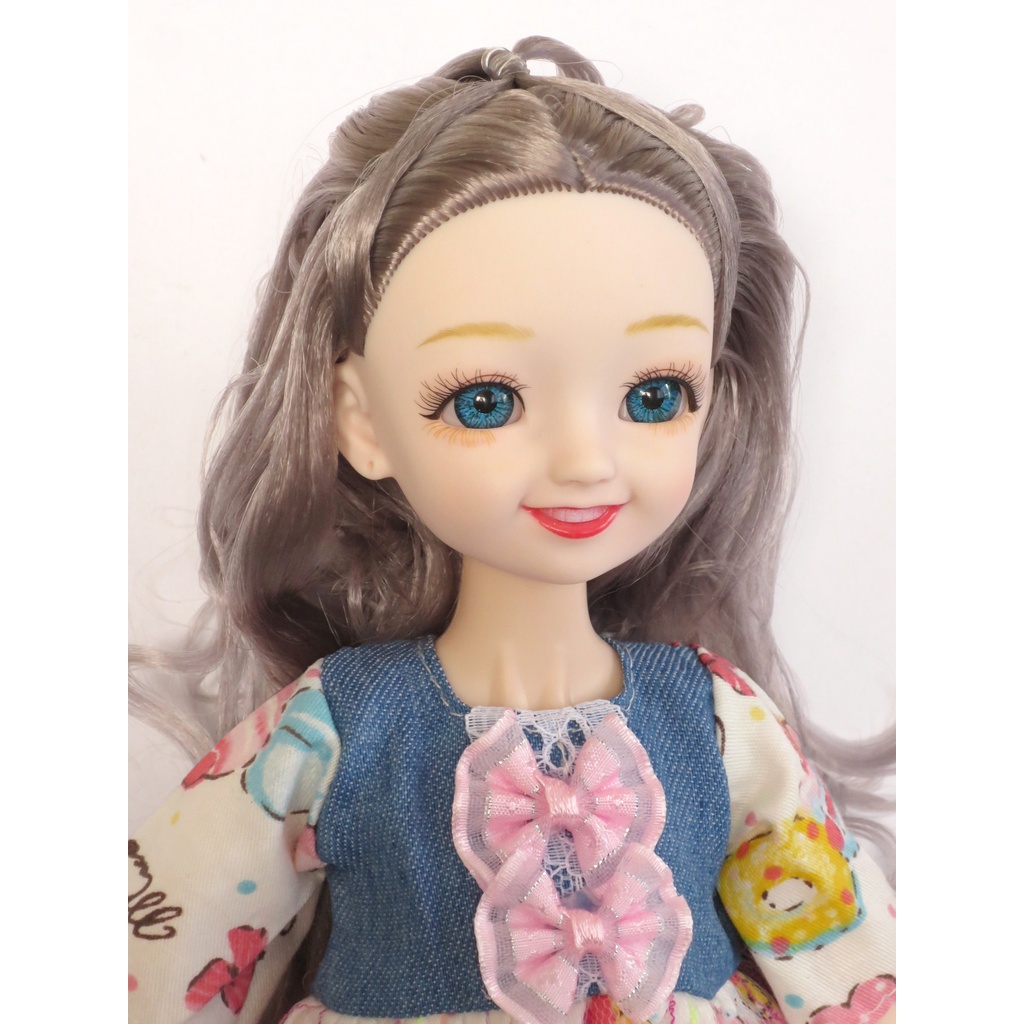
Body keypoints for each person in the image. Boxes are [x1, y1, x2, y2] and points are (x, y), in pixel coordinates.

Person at [128, 37, 896, 1024]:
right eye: (485, 400)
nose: (585, 460)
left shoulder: (718, 721)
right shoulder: (337, 729)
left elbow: (840, 953)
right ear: (360, 419)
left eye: (654, 395)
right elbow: (165, 946)